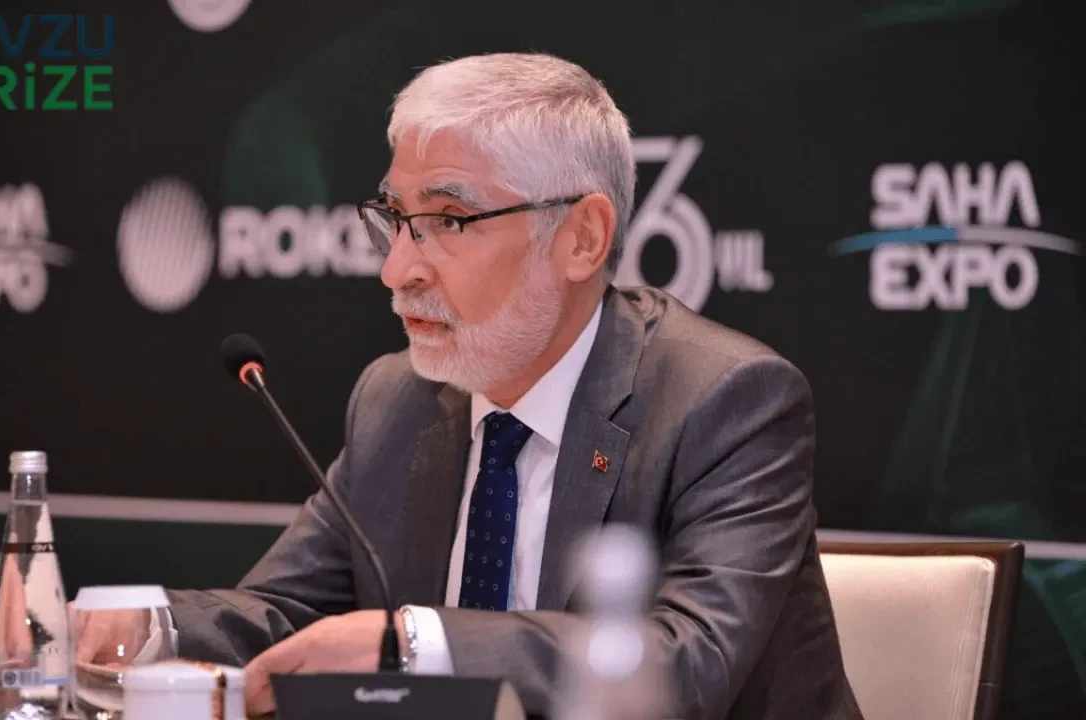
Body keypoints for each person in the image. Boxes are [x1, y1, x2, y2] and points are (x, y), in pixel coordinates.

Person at [75, 52, 863, 719]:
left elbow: (680, 667)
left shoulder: (726, 402)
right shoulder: (398, 400)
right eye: (394, 219)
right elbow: (288, 616)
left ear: (581, 238)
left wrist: (413, 643)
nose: (397, 270)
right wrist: (148, 625)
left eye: (448, 221)